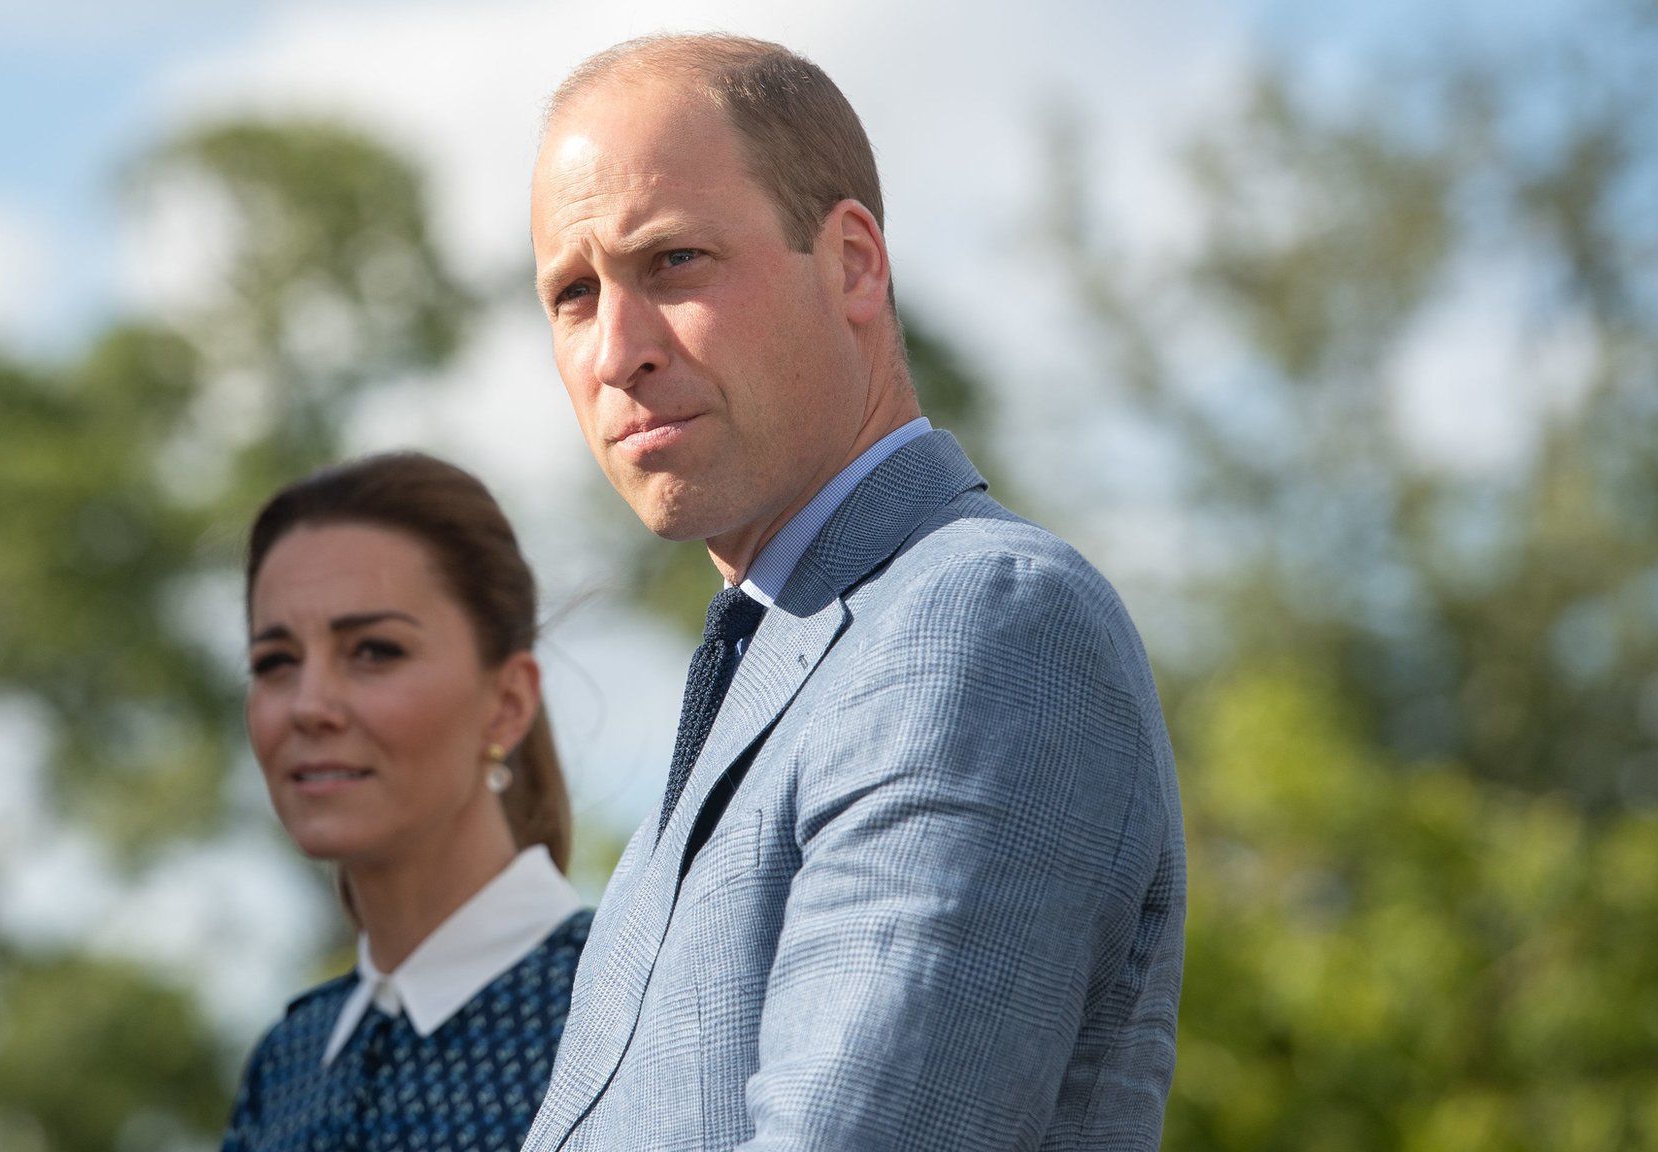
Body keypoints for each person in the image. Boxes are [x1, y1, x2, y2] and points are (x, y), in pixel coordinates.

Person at [523, 34, 1185, 1152]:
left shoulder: (979, 624)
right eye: (573, 295)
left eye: (673, 262)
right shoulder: (769, 670)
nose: (614, 352)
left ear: (852, 265)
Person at [221, 452, 592, 1152]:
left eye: (374, 651)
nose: (308, 706)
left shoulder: (622, 1004)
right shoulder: (286, 1065)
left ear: (507, 704)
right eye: (275, 661)